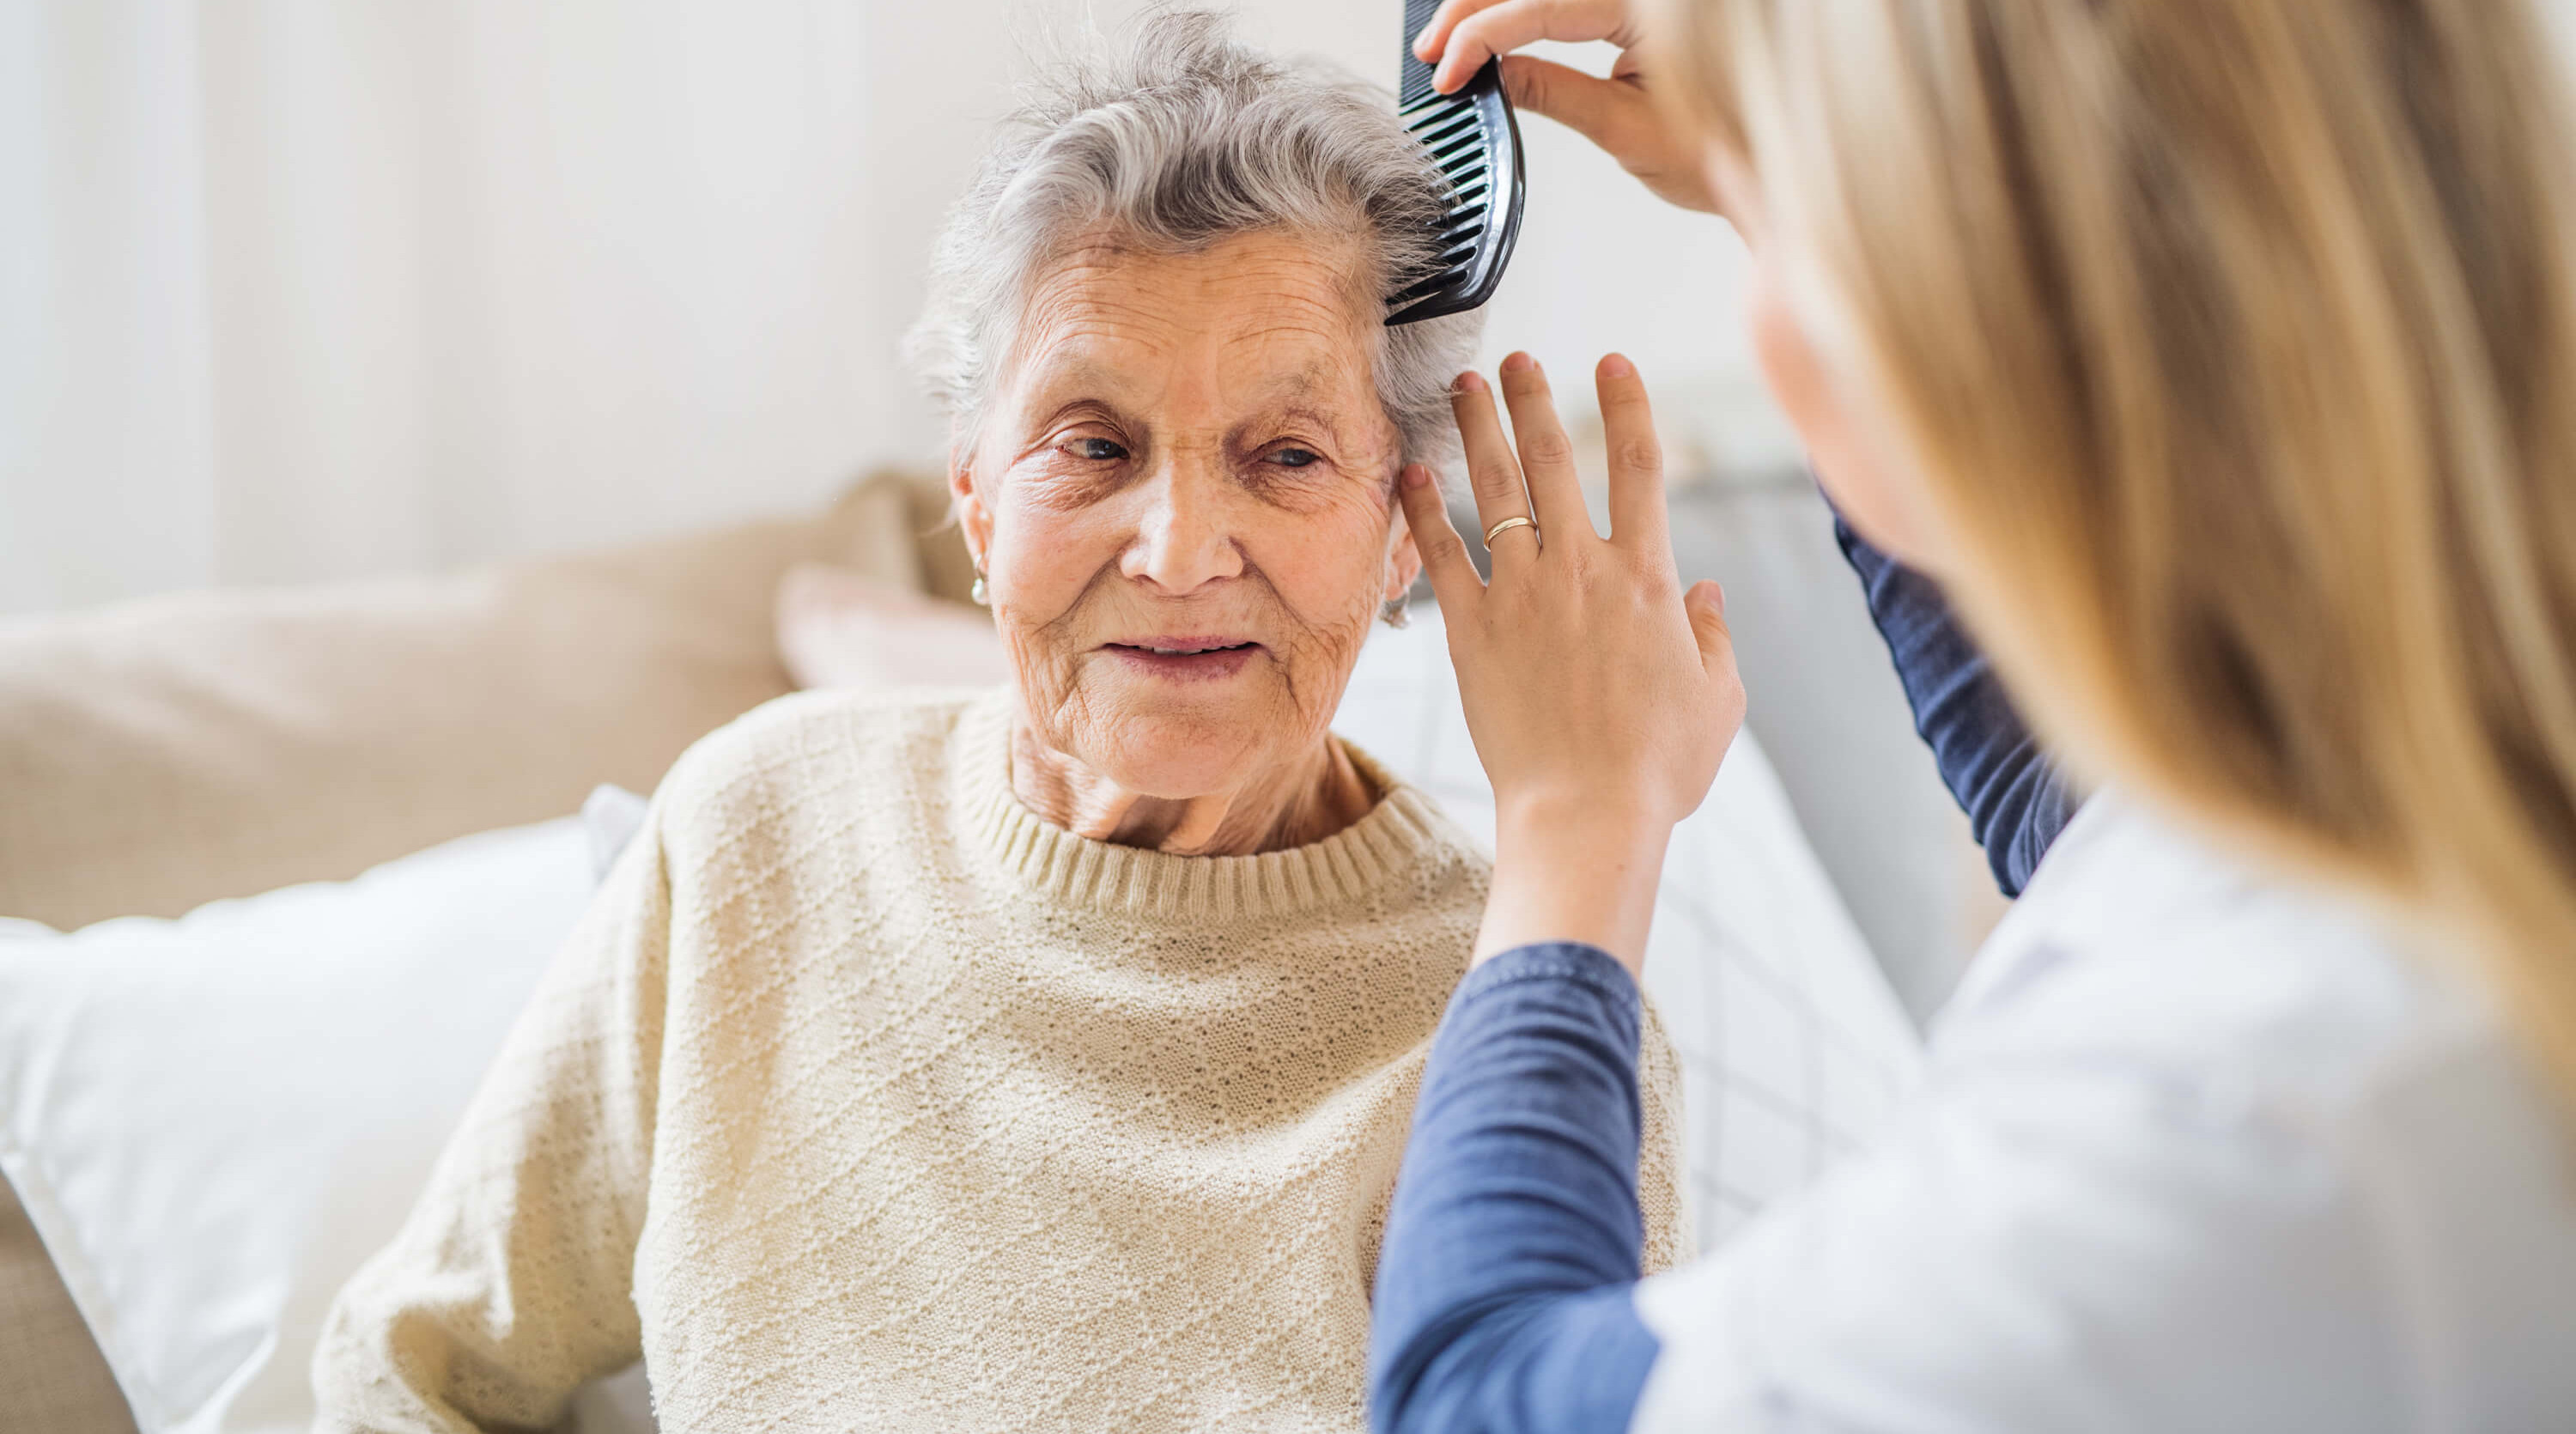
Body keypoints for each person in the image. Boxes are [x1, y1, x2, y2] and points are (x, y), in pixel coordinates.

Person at [309, 15, 1694, 1433]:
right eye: (1095, 444)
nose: (1176, 549)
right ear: (975, 498)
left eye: (1285, 454)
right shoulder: (752, 839)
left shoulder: (1533, 1016)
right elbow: (413, 1372)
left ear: (1399, 533)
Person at [1365, 0, 2576, 1430]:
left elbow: (1476, 1405)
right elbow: (2078, 825)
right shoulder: (2404, 787)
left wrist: (1575, 815)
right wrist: (1786, 200)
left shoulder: (2241, 1136)